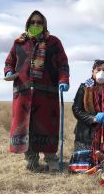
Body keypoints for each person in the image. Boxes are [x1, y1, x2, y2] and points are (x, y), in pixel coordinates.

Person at [4, 10, 70, 172]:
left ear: (44, 24)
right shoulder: (19, 42)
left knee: (47, 126)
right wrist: (8, 72)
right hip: (23, 93)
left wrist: (63, 80)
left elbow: (63, 64)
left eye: (39, 22)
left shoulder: (53, 42)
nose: (35, 25)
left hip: (47, 94)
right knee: (26, 126)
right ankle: (31, 159)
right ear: (28, 24)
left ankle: (51, 160)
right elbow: (9, 61)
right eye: (32, 22)